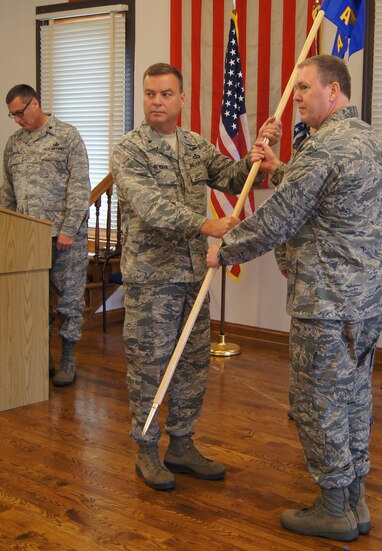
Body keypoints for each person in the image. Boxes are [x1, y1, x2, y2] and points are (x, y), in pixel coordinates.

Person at [207, 55, 382, 542]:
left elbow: (277, 221)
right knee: (353, 398)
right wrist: (280, 167)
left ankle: (333, 508)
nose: (297, 98)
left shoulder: (324, 147)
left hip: (326, 303)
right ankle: (355, 501)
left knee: (318, 403)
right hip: (367, 301)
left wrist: (223, 249)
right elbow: (328, 196)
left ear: (334, 91)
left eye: (305, 87)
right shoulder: (369, 139)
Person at [110, 62, 281, 491]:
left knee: (192, 363)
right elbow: (149, 206)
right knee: (149, 367)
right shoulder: (130, 150)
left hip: (192, 276)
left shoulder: (193, 145)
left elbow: (230, 178)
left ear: (182, 99)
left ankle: (182, 444)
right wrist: (207, 227)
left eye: (166, 94)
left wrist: (258, 155)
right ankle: (146, 448)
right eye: (150, 94)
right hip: (152, 279)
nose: (157, 102)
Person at [2, 84, 90, 387]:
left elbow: (79, 188)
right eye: (12, 115)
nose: (16, 120)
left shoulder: (66, 136)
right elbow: (8, 195)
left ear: (35, 104)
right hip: (28, 240)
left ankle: (68, 358)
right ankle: (42, 356)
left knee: (69, 302)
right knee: (34, 302)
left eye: (19, 113)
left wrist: (67, 230)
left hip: (66, 239)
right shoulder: (13, 145)